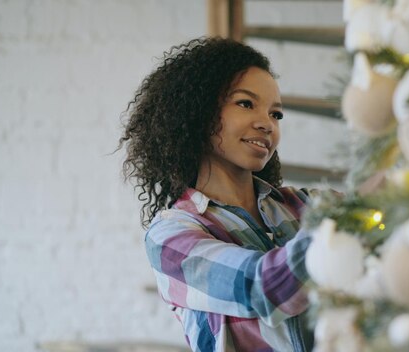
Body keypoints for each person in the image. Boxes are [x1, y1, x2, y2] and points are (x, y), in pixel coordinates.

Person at [119, 37, 314, 351]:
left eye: (276, 114)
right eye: (246, 103)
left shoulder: (304, 206)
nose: (267, 124)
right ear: (199, 111)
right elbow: (263, 288)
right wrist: (345, 227)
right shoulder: (170, 237)